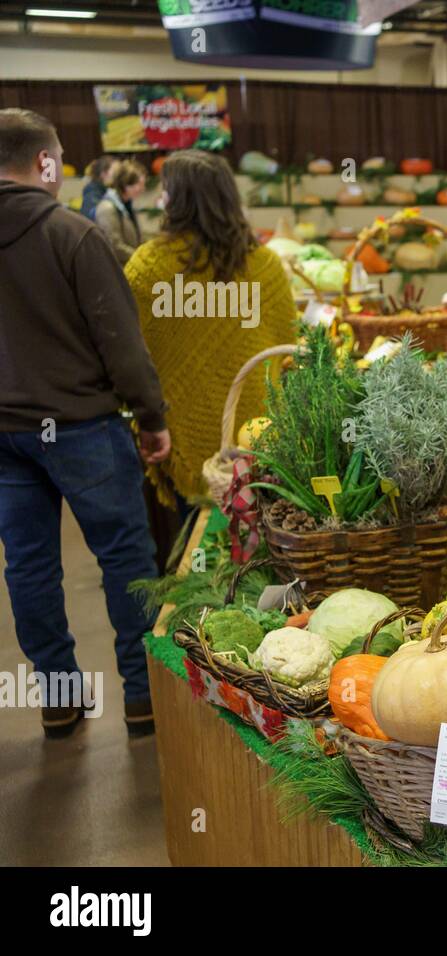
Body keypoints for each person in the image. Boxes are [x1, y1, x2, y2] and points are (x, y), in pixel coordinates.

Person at [0, 109, 169, 739]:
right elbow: (120, 345)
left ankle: (59, 700)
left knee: (30, 566)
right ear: (45, 162)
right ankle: (142, 698)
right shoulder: (74, 236)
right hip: (82, 427)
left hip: (7, 437)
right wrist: (152, 418)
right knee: (125, 559)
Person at [124, 150, 296, 508]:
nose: (159, 199)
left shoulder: (148, 266)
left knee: (195, 534)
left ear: (178, 201)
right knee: (255, 518)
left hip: (172, 425)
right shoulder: (265, 265)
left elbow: (129, 347)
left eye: (165, 192)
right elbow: (286, 344)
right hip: (254, 428)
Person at [95, 159, 146, 265]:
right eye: (140, 184)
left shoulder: (126, 204)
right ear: (126, 184)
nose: (143, 189)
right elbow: (114, 245)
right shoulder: (107, 208)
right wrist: (141, 258)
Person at [80, 155, 115, 222]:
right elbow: (92, 218)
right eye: (115, 171)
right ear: (103, 174)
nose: (119, 174)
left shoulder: (108, 189)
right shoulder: (92, 192)